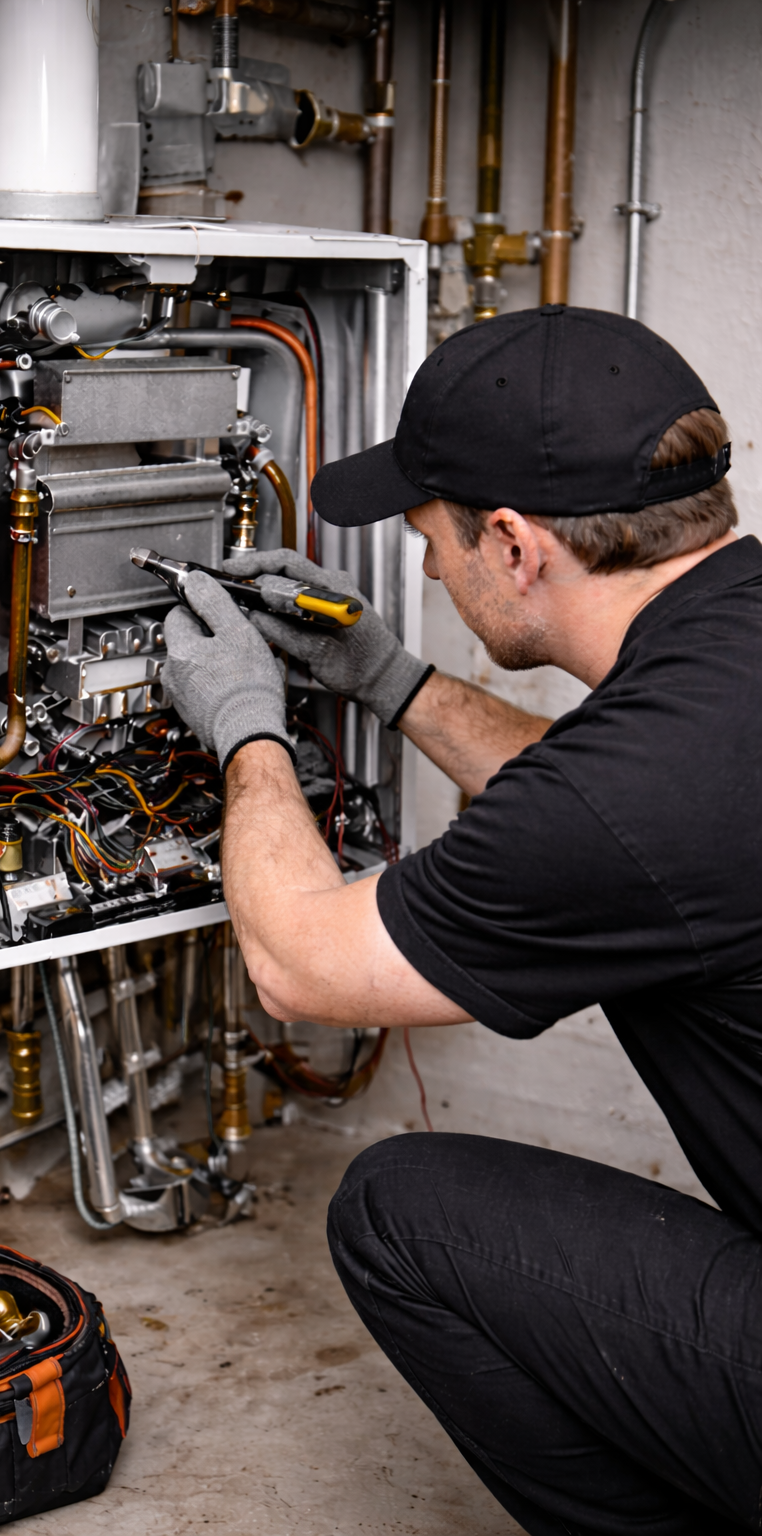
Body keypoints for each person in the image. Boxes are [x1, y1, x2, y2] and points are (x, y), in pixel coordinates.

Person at [161, 304, 762, 1534]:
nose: (428, 570)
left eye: (429, 537)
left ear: (512, 542)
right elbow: (614, 816)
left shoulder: (627, 798)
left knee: (400, 1215)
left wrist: (245, 724)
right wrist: (392, 680)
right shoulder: (720, 666)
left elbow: (296, 963)